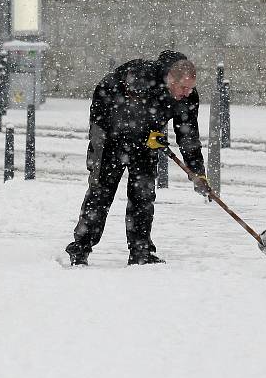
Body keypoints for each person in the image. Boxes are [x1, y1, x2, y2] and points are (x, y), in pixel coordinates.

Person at [64, 50, 208, 267]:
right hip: (109, 131)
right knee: (102, 191)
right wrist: (147, 134)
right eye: (183, 88)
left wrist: (197, 172)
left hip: (147, 140)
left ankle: (141, 252)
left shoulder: (187, 98)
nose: (187, 93)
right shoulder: (141, 76)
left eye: (191, 88)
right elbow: (127, 116)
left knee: (143, 194)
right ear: (170, 78)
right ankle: (80, 248)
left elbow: (188, 135)